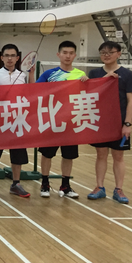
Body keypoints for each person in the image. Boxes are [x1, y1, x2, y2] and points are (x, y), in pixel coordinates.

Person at [36, 40, 88, 199]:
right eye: (65, 53)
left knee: (69, 155)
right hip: (52, 120)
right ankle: (45, 184)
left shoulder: (81, 75)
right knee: (47, 154)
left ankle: (65, 186)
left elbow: (89, 94)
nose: (68, 56)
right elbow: (34, 91)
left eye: (71, 53)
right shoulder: (49, 74)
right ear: (58, 54)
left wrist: (88, 83)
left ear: (75, 55)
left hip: (71, 122)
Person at [87, 41, 132, 204]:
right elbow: (91, 93)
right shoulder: (94, 73)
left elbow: (131, 101)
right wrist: (103, 79)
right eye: (103, 52)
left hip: (119, 122)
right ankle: (99, 187)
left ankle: (119, 189)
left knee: (118, 156)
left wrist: (127, 124)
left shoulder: (127, 74)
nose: (106, 55)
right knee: (101, 155)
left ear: (119, 54)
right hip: (100, 121)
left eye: (110, 52)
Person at [0, 43, 35, 199]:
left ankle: (16, 184)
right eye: (6, 55)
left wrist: (31, 74)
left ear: (17, 58)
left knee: (17, 153)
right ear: (2, 58)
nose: (9, 58)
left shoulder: (23, 75)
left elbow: (32, 92)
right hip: (0, 120)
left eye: (13, 56)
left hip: (18, 119)